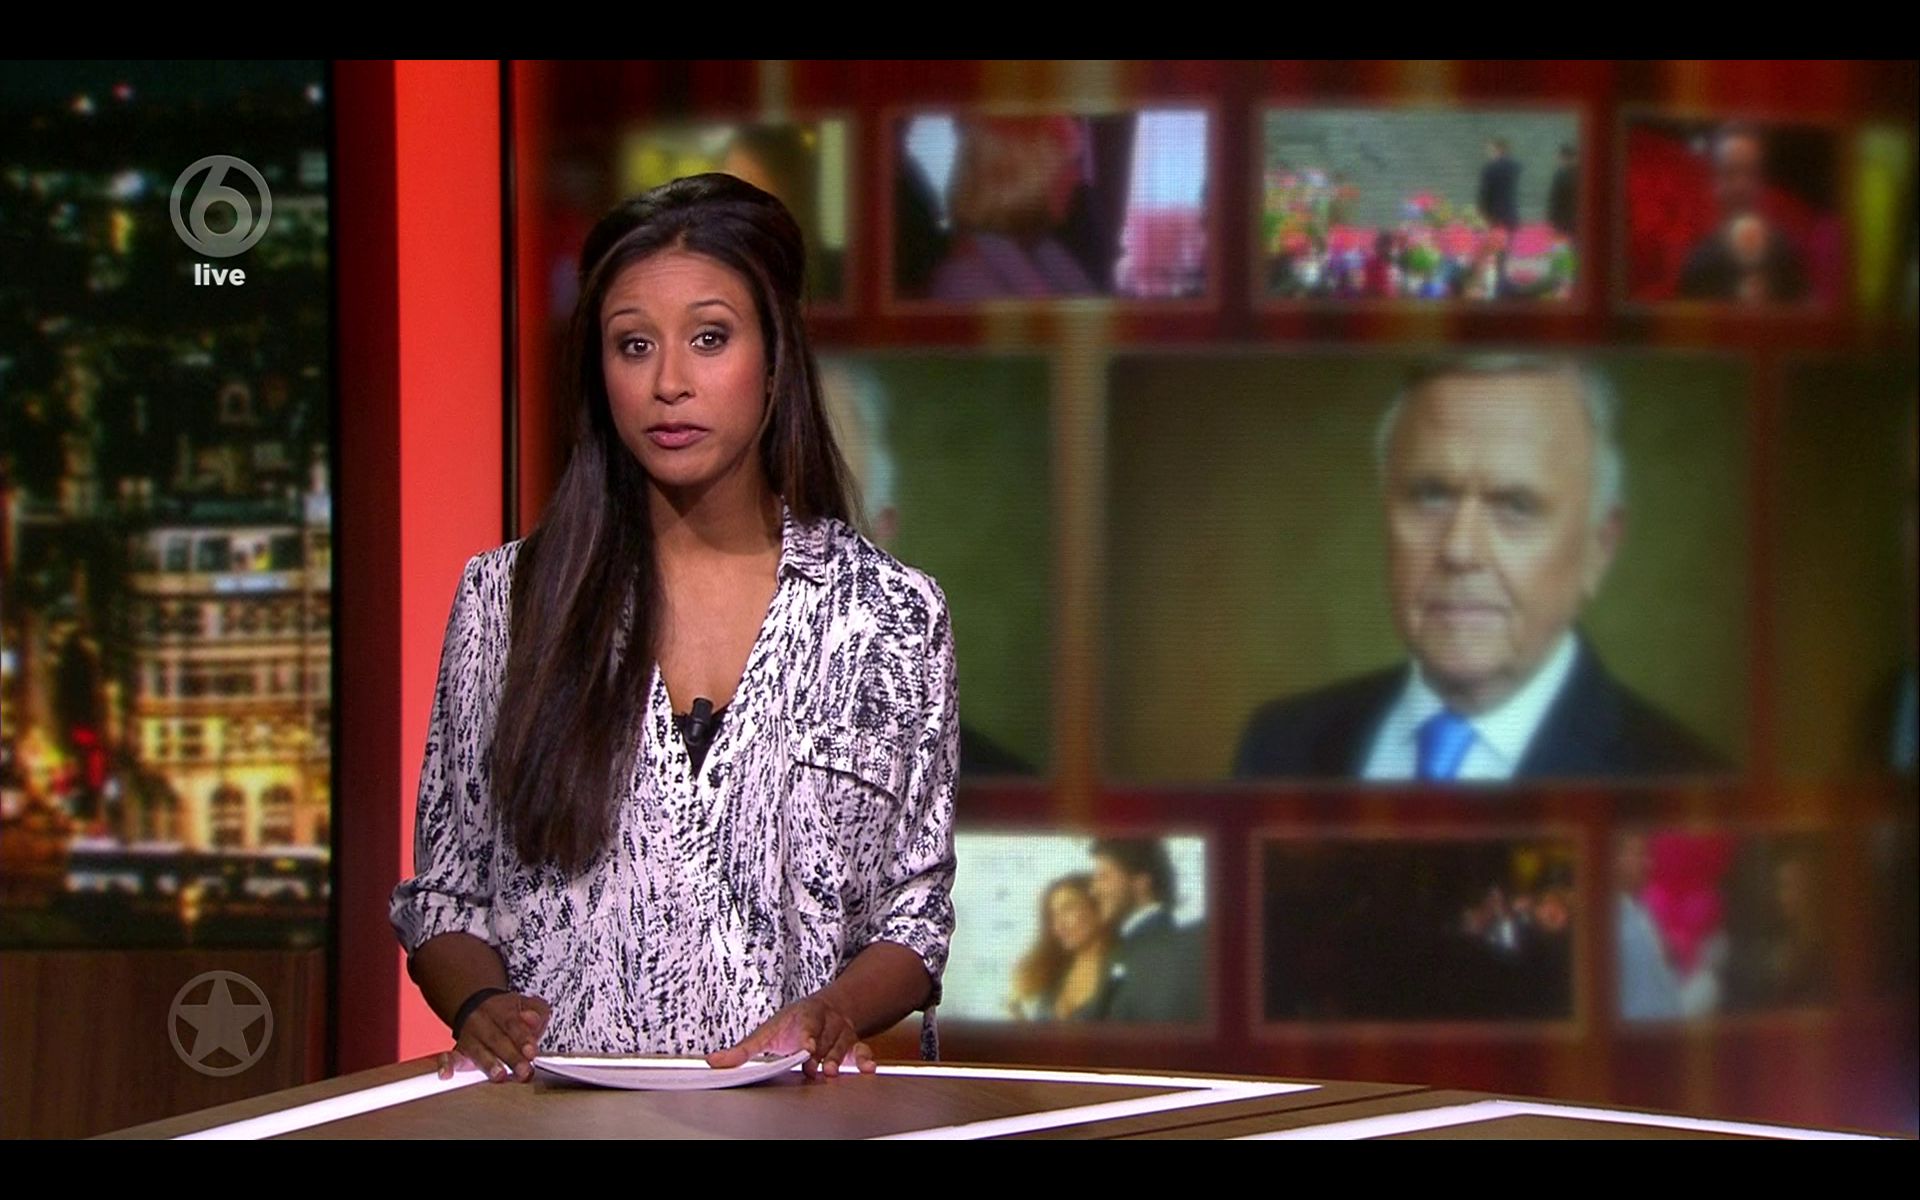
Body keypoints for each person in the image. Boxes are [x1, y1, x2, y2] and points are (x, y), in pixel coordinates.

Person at [390, 174, 959, 1084]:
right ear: (600, 371)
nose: (668, 384)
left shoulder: (889, 613)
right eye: (633, 345)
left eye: (709, 338)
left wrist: (834, 1012)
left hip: (793, 1117)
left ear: (774, 358)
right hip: (560, 1115)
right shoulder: (509, 601)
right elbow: (448, 893)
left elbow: (914, 916)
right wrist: (482, 1006)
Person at [1235, 355, 1724, 781]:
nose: (1459, 550)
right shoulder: (1279, 745)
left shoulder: (1687, 782)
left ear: (1600, 547)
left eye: (1515, 506)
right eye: (1430, 495)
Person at [1676, 124, 1810, 304]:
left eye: (1750, 172)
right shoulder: (1698, 265)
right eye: (1729, 172)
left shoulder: (1785, 254)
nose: (1741, 185)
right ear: (1714, 183)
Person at [1087, 838, 1204, 1022]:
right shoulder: (1131, 946)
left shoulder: (1156, 950)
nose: (1093, 890)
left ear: (1141, 882)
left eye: (1103, 877)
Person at [1007, 874, 1112, 1021]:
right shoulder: (1052, 969)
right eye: (1053, 916)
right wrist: (1016, 1014)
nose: (1058, 925)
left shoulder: (1123, 965)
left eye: (1068, 909)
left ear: (1097, 906)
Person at [1476, 137, 1521, 233]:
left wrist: (1482, 210)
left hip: (1494, 213)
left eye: (1491, 150)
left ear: (1498, 150)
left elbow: (1486, 193)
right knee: (1511, 238)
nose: (1490, 153)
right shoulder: (1515, 166)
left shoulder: (1490, 168)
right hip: (1510, 211)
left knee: (1496, 238)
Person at [1548, 143, 1578, 242]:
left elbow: (1555, 197)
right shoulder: (1582, 173)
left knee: (1563, 245)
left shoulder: (1560, 175)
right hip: (1578, 218)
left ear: (1563, 157)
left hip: (1563, 218)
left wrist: (1552, 217)